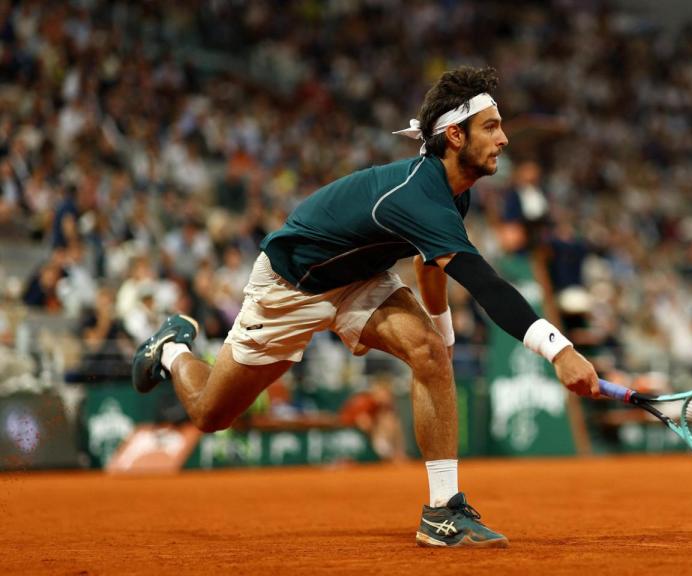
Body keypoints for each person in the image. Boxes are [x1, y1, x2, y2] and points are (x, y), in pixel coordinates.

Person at [131, 67, 600, 549]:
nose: (503, 138)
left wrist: (442, 335)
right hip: (291, 286)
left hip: (359, 281)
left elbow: (429, 266)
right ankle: (171, 351)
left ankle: (442, 512)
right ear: (455, 136)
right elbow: (487, 286)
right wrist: (559, 350)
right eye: (491, 127)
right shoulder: (419, 195)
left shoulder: (450, 193)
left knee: (430, 352)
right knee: (211, 414)